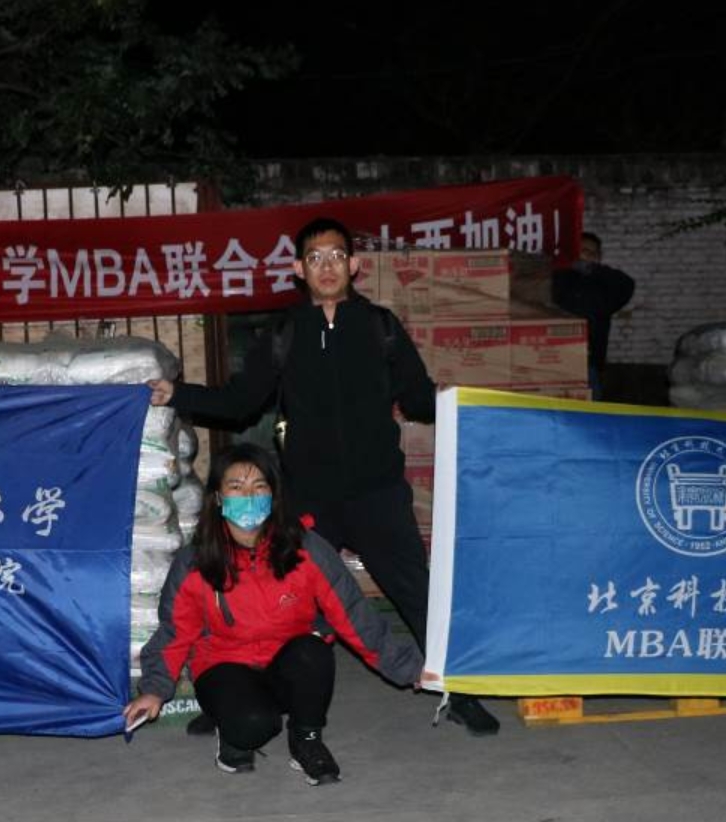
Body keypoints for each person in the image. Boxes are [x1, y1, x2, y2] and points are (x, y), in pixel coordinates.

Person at [148, 216, 501, 736]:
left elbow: (420, 399)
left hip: (378, 493)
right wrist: (178, 394)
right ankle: (237, 696)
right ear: (299, 269)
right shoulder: (284, 333)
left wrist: (464, 404)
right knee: (271, 597)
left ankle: (459, 692)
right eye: (315, 258)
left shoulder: (380, 326)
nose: (327, 266)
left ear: (354, 265)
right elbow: (240, 402)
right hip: (310, 497)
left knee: (419, 595)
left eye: (337, 256)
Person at [124, 443, 423, 785]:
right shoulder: (195, 562)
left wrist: (407, 667)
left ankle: (307, 739)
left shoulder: (306, 549)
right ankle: (230, 724)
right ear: (218, 498)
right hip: (223, 664)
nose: (249, 496)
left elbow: (353, 613)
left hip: (287, 664)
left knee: (313, 650)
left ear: (273, 495)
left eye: (259, 486)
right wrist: (154, 689)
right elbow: (175, 632)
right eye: (236, 487)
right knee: (253, 727)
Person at [551, 231, 635, 401]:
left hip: (590, 360)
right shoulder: (561, 277)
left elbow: (626, 285)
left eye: (593, 252)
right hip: (556, 357)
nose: (589, 255)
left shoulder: (604, 284)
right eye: (584, 250)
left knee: (591, 404)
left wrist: (591, 269)